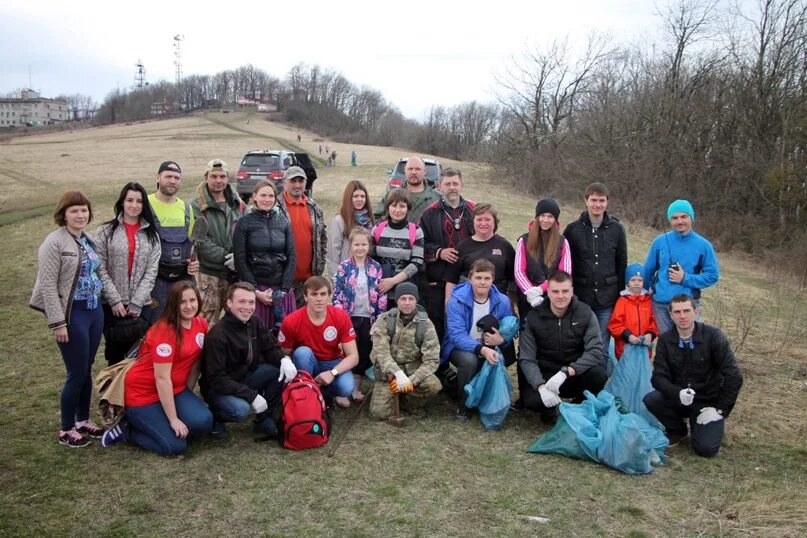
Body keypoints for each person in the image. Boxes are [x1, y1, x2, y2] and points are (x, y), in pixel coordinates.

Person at [30, 191, 107, 447]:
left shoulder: (87, 239)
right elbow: (48, 286)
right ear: (63, 213)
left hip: (94, 311)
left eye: (84, 210)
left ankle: (83, 420)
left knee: (86, 370)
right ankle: (66, 429)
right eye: (74, 211)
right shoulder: (54, 243)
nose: (80, 215)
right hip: (73, 314)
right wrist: (58, 322)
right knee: (75, 372)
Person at [103, 282, 213, 455]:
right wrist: (174, 418)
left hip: (175, 389)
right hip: (144, 394)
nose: (189, 306)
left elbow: (196, 363)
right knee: (175, 447)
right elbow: (161, 379)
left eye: (193, 300)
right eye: (182, 302)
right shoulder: (164, 332)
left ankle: (161, 417)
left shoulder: (200, 324)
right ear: (173, 305)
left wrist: (187, 394)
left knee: (203, 423)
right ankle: (127, 429)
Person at [644, 294, 743, 457]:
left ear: (695, 312)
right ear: (670, 315)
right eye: (677, 312)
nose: (682, 316)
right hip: (680, 398)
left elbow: (734, 376)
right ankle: (677, 430)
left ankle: (706, 426)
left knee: (706, 450)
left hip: (707, 402)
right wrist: (677, 393)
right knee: (652, 399)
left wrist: (720, 410)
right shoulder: (666, 340)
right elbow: (658, 378)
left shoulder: (714, 337)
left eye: (686, 310)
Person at [200, 282, 298, 439]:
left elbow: (270, 348)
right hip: (218, 387)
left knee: (277, 372)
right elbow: (216, 378)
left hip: (245, 377)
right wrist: (251, 395)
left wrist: (284, 360)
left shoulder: (255, 321)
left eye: (251, 302)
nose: (247, 307)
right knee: (241, 411)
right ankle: (215, 415)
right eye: (241, 301)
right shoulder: (217, 335)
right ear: (229, 303)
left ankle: (264, 418)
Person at [518, 270, 607, 424]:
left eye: (565, 291)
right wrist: (540, 386)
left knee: (599, 373)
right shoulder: (533, 317)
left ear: (572, 291)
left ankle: (579, 405)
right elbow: (527, 358)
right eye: (555, 291)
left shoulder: (585, 313)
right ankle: (550, 409)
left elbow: (595, 351)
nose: (560, 296)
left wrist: (567, 371)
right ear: (548, 292)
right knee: (532, 401)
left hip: (572, 373)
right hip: (545, 373)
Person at [95, 182, 161, 365]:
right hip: (112, 306)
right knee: (115, 357)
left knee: (139, 357)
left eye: (139, 201)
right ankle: (112, 392)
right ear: (122, 202)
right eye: (129, 200)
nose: (134, 205)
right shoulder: (105, 232)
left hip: (141, 306)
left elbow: (151, 270)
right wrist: (115, 300)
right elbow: (99, 268)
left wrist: (137, 302)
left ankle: (135, 393)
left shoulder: (151, 235)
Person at [443, 259, 516, 421]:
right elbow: (456, 335)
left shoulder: (502, 300)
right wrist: (481, 348)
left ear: (493, 279)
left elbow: (508, 326)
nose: (482, 282)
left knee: (506, 355)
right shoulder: (457, 301)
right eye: (478, 278)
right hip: (461, 346)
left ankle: (488, 397)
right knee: (470, 361)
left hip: (490, 344)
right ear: (470, 278)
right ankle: (464, 405)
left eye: (487, 278)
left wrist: (501, 339)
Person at [278, 276, 360, 408]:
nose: (319, 298)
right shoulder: (291, 321)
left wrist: (332, 373)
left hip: (333, 362)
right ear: (305, 297)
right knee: (302, 353)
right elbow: (284, 353)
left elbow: (353, 356)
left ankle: (324, 394)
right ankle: (305, 391)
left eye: (323, 294)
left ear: (329, 296)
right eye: (314, 294)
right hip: (307, 362)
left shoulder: (341, 316)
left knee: (346, 388)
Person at [563, 183, 627, 347]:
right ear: (586, 200)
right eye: (593, 200)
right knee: (578, 342)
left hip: (607, 298)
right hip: (581, 297)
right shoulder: (572, 230)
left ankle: (600, 372)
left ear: (607, 202)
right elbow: (566, 265)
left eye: (601, 200)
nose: (597, 205)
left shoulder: (617, 229)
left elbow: (621, 263)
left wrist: (620, 296)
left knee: (601, 345)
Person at [643, 199, 720, 335]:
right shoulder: (659, 242)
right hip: (661, 306)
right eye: (675, 218)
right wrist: (642, 294)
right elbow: (648, 270)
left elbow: (712, 275)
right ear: (670, 220)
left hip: (688, 306)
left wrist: (685, 278)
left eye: (684, 217)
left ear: (691, 218)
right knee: (667, 346)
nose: (679, 221)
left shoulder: (704, 246)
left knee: (690, 345)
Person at [418, 168, 475, 344]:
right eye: (447, 184)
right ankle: (441, 366)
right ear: (439, 186)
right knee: (439, 322)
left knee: (468, 321)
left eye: (455, 183)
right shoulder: (429, 213)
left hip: (469, 278)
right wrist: (439, 252)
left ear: (462, 185)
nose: (452, 187)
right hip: (439, 279)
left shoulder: (474, 210)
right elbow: (420, 243)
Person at [369, 282, 442, 420]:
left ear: (416, 300)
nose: (407, 303)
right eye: (403, 299)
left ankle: (409, 403)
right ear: (397, 301)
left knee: (433, 385)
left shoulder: (426, 324)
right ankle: (390, 395)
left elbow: (432, 360)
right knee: (378, 414)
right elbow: (381, 352)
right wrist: (397, 373)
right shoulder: (384, 320)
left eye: (411, 299)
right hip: (388, 373)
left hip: (413, 370)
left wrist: (410, 381)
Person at [232, 180, 296, 332]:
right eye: (263, 195)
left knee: (283, 337)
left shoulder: (284, 223)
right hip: (256, 290)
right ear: (255, 196)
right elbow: (240, 260)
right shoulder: (244, 223)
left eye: (270, 196)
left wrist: (284, 290)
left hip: (280, 290)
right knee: (257, 337)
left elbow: (291, 256)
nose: (267, 199)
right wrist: (255, 291)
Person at [333, 228, 387, 401]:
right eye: (356, 244)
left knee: (363, 352)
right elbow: (337, 294)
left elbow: (381, 294)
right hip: (348, 317)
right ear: (351, 245)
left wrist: (380, 317)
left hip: (368, 318)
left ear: (369, 246)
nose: (360, 248)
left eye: (364, 244)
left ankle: (355, 388)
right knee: (348, 351)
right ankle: (342, 390)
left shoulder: (376, 267)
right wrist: (341, 318)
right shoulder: (344, 267)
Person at [190, 159, 246, 323]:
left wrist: (239, 257)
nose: (218, 181)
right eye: (214, 176)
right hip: (210, 276)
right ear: (205, 177)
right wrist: (227, 257)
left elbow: (246, 231)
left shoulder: (237, 204)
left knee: (236, 323)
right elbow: (200, 241)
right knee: (206, 323)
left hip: (234, 275)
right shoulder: (197, 206)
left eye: (222, 176)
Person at [148, 160, 199, 321]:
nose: (172, 181)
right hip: (155, 281)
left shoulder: (186, 208)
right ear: (158, 178)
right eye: (168, 176)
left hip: (182, 278)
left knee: (184, 323)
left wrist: (193, 262)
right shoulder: (146, 204)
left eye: (176, 178)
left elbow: (191, 243)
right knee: (156, 326)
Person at [276, 166, 326, 307]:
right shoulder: (275, 207)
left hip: (309, 281)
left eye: (300, 181)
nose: (297, 185)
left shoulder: (314, 208)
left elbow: (322, 241)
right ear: (285, 183)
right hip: (283, 280)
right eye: (293, 181)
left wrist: (319, 269)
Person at [514, 198, 571, 321]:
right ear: (537, 217)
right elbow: (519, 271)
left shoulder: (563, 242)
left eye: (550, 216)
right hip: (528, 299)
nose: (545, 220)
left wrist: (541, 289)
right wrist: (530, 293)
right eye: (542, 215)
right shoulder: (524, 240)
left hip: (554, 297)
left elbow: (565, 273)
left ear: (555, 220)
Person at [444, 203, 515, 302]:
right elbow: (451, 280)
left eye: (487, 219)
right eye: (479, 219)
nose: (483, 223)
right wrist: (448, 305)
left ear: (495, 222)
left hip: (497, 301)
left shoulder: (505, 246)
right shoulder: (462, 247)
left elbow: (512, 280)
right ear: (473, 221)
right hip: (467, 301)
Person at [371, 188, 425, 297]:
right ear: (388, 207)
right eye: (394, 205)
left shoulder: (416, 231)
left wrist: (393, 281)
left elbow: (417, 262)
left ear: (408, 209)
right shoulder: (377, 229)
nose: (397, 210)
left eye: (402, 206)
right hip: (380, 287)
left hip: (405, 289)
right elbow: (371, 258)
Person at [607, 263, 658, 359]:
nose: (636, 283)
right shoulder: (622, 301)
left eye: (640, 280)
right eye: (633, 280)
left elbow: (654, 321)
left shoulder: (648, 301)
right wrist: (628, 336)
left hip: (644, 349)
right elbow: (614, 325)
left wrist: (650, 334)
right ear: (627, 282)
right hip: (626, 350)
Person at [326, 180, 374, 279]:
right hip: (347, 276)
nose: (359, 199)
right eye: (355, 196)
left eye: (362, 196)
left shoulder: (370, 221)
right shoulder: (339, 221)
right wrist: (336, 281)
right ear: (348, 198)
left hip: (367, 275)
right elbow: (333, 256)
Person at [374, 156, 440, 222]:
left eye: (418, 169)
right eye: (410, 169)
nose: (413, 172)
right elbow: (376, 218)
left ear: (425, 171)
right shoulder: (391, 195)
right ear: (405, 170)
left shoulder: (437, 198)